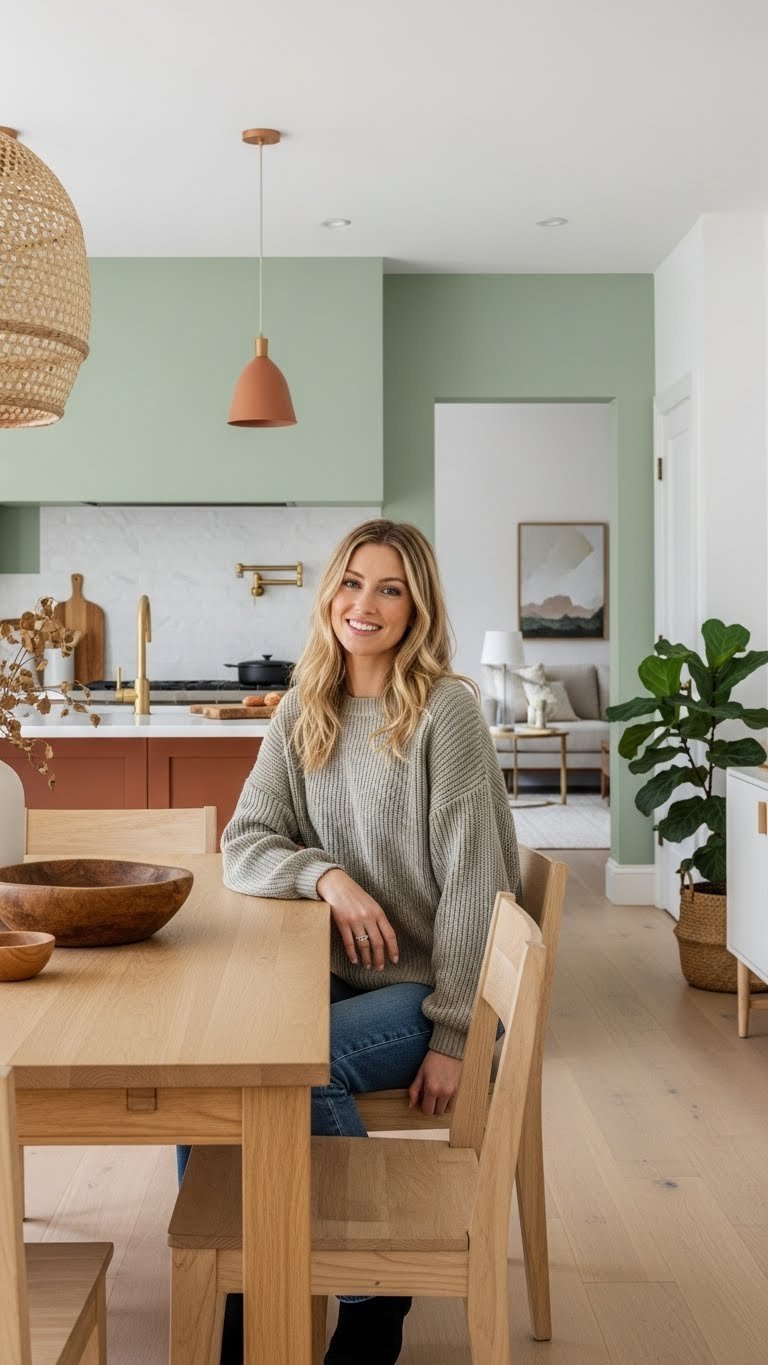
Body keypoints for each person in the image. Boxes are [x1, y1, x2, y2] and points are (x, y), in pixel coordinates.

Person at [218, 518, 520, 1364]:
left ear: (416, 607)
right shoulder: (302, 706)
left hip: (430, 989)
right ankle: (242, 1278)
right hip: (338, 975)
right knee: (215, 1063)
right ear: (329, 595)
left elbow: (477, 885)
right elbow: (245, 841)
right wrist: (326, 876)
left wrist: (461, 1033)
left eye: (389, 588)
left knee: (297, 1068)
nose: (365, 604)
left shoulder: (443, 711)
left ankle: (371, 1293)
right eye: (352, 582)